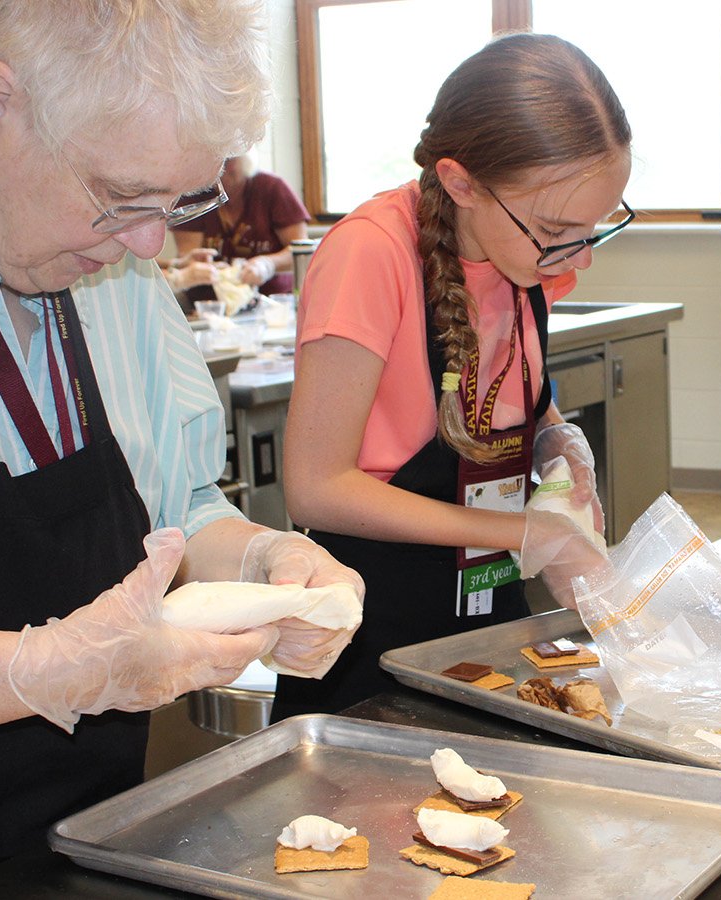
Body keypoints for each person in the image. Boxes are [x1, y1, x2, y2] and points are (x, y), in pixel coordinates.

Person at [0, 1, 362, 893]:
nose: (154, 244)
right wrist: (46, 672)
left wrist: (270, 560)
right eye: (123, 200)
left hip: (86, 839)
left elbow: (179, 508)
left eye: (182, 201)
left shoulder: (107, 240)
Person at [273, 33, 627, 717]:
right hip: (376, 631)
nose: (574, 257)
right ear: (462, 182)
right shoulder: (371, 256)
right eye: (557, 229)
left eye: (596, 227)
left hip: (491, 608)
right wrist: (520, 534)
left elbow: (499, 390)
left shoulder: (528, 255)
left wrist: (556, 441)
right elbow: (316, 489)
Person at [165, 153, 312, 308]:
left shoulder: (271, 188)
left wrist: (267, 264)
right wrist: (201, 270)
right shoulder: (193, 195)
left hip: (270, 304)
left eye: (229, 161)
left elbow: (301, 251)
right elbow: (188, 255)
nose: (223, 169)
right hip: (208, 306)